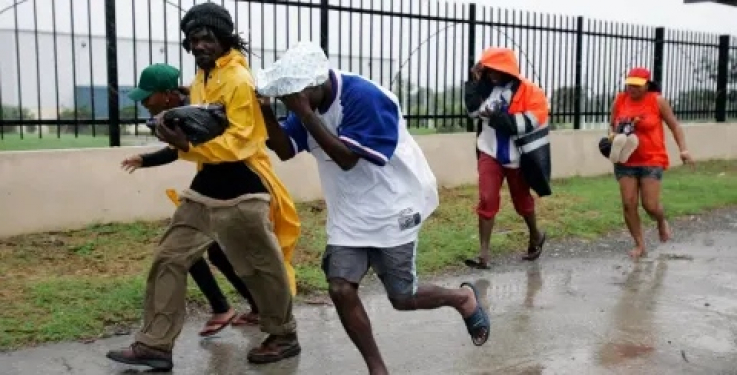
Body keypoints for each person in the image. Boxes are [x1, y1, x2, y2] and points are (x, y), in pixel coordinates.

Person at [256, 41, 491, 375]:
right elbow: (284, 149)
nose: (290, 104)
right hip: (349, 212)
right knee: (340, 287)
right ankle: (377, 368)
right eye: (286, 99)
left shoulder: (364, 97)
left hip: (394, 204)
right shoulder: (306, 103)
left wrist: (305, 114)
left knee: (402, 298)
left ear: (315, 84)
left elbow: (347, 159)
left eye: (294, 97)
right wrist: (267, 109)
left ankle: (463, 299)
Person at [106, 3, 301, 370]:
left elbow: (241, 142)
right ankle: (155, 345)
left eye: (206, 37)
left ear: (223, 38)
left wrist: (186, 146)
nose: (199, 45)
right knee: (170, 256)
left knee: (259, 266)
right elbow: (202, 128)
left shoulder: (240, 80)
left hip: (244, 185)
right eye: (193, 39)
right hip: (207, 184)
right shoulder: (202, 78)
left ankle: (283, 334)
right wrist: (176, 132)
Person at [121, 63, 261, 336]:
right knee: (209, 251)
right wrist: (145, 159)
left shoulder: (192, 109)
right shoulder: (186, 104)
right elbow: (183, 147)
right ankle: (250, 308)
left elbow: (187, 147)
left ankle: (254, 313)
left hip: (233, 183)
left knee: (189, 248)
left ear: (166, 94)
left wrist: (149, 158)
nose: (145, 104)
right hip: (216, 181)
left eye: (148, 98)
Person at [463, 47, 549, 270]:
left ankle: (535, 235)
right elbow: (472, 112)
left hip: (518, 157)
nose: (492, 75)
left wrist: (495, 116)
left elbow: (521, 125)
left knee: (522, 202)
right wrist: (473, 82)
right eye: (489, 70)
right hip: (489, 152)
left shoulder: (533, 93)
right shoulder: (486, 88)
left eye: (496, 70)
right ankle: (483, 255)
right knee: (487, 198)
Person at [609, 67, 694, 259]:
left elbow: (675, 125)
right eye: (629, 84)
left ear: (647, 85)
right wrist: (613, 138)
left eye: (637, 86)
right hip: (626, 159)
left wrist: (683, 150)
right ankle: (639, 244)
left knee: (650, 205)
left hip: (651, 159)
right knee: (628, 204)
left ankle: (661, 221)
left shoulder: (657, 101)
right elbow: (612, 124)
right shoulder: (620, 100)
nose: (632, 88)